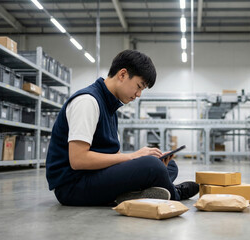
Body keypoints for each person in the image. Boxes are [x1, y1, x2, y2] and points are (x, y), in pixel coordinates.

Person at [46, 50, 199, 206]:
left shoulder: (110, 106)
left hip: (95, 175)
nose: (138, 94)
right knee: (152, 166)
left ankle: (138, 192)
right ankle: (174, 193)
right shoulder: (88, 101)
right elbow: (78, 160)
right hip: (73, 186)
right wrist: (134, 157)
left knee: (166, 165)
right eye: (139, 86)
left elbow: (112, 154)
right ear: (122, 75)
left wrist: (143, 159)